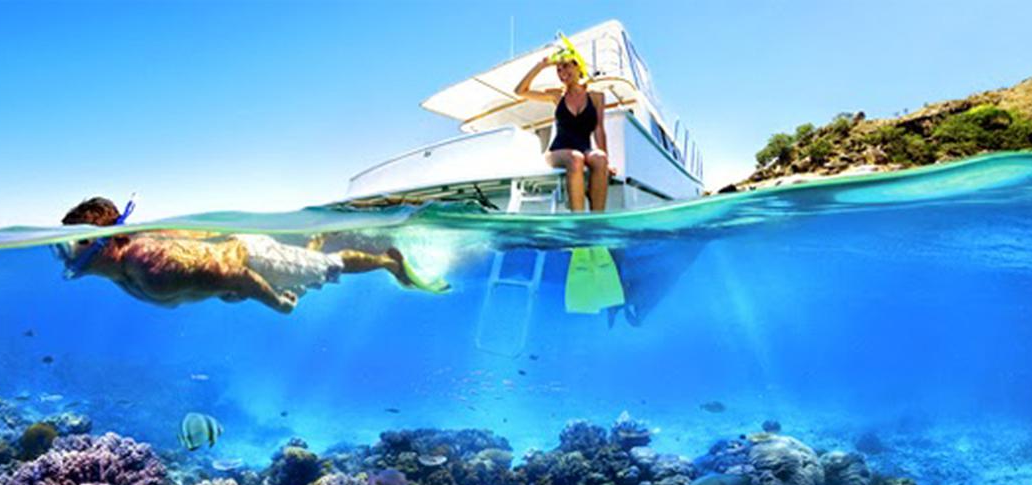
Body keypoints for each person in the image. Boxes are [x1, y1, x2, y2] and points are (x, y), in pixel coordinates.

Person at [55, 197, 445, 313]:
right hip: (235, 269)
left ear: (106, 240)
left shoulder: (150, 264)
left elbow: (238, 273)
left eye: (77, 242)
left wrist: (276, 304)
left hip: (253, 260)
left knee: (327, 268)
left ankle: (389, 261)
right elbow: (217, 278)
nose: (66, 253)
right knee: (306, 275)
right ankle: (312, 242)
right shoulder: (123, 274)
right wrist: (219, 289)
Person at [514, 49, 617, 212]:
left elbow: (598, 128)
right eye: (558, 70)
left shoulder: (597, 96)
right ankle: (578, 220)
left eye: (566, 67)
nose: (562, 73)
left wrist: (607, 164)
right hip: (558, 151)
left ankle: (597, 219)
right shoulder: (556, 95)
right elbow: (520, 91)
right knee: (575, 158)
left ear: (578, 67)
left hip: (584, 148)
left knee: (600, 158)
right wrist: (541, 66)